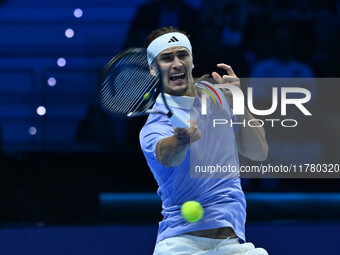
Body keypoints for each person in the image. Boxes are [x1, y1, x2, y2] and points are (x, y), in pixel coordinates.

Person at [139, 27, 268, 254]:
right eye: (167, 58)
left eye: (182, 55)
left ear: (192, 61)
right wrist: (180, 140)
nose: (177, 63)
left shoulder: (217, 93)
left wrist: (239, 103)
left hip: (231, 243)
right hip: (180, 244)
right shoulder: (156, 123)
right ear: (153, 69)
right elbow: (166, 155)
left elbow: (259, 152)